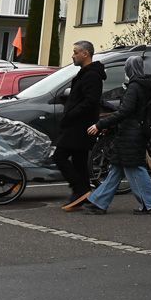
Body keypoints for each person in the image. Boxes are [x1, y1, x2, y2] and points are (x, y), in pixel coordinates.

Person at [81, 55, 151, 215]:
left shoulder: (134, 87)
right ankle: (98, 202)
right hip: (134, 132)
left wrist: (101, 124)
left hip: (130, 134)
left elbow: (125, 111)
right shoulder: (145, 85)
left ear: (129, 69)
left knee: (134, 168)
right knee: (116, 169)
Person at [57, 42, 104, 210]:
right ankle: (84, 194)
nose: (73, 55)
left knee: (59, 156)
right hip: (77, 124)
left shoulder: (92, 76)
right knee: (79, 161)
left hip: (80, 126)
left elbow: (91, 101)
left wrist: (71, 113)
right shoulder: (84, 73)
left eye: (75, 52)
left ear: (85, 54)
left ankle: (80, 189)